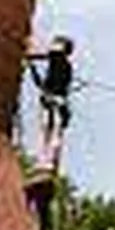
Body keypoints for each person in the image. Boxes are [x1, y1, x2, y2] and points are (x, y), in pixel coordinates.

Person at [25, 35, 74, 164]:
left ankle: (47, 161)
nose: (52, 46)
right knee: (49, 131)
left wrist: (28, 54)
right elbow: (40, 84)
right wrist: (32, 67)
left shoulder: (59, 60)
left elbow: (48, 54)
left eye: (56, 43)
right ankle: (46, 161)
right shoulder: (61, 64)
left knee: (50, 131)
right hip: (55, 100)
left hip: (55, 100)